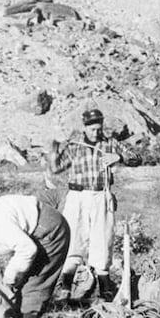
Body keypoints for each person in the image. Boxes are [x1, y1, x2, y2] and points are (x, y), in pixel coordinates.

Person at [48, 108, 140, 301]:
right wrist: (54, 149)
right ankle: (66, 286)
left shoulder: (110, 143)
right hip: (77, 195)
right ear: (85, 127)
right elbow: (56, 169)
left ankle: (105, 287)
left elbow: (136, 158)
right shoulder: (74, 146)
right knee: (73, 236)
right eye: (91, 129)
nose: (95, 132)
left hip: (101, 194)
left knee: (102, 237)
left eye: (98, 128)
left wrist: (120, 157)